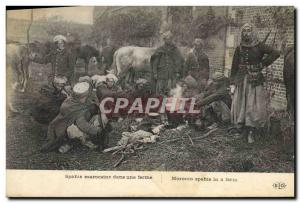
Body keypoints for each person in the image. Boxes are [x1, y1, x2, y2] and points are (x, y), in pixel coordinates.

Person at [230, 23, 280, 143]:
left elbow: (276, 53)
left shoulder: (259, 46)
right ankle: (242, 129)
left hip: (254, 80)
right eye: (244, 31)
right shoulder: (239, 47)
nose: (246, 33)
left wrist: (262, 64)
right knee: (241, 104)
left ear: (252, 32)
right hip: (242, 80)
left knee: (253, 105)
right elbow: (234, 66)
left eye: (248, 31)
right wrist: (232, 82)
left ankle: (251, 131)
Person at [40, 81, 108, 153]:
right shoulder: (74, 108)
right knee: (74, 131)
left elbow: (93, 100)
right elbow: (82, 124)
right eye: (84, 97)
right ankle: (72, 142)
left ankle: (72, 142)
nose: (85, 98)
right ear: (80, 97)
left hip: (69, 125)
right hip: (65, 130)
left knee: (95, 117)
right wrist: (97, 130)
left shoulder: (71, 100)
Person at [151, 31, 184, 95]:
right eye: (167, 39)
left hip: (172, 73)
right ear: (164, 40)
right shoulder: (160, 49)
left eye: (170, 38)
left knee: (172, 91)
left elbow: (178, 61)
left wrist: (177, 71)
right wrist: (155, 73)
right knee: (160, 90)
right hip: (161, 73)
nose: (169, 40)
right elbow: (155, 62)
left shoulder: (175, 49)